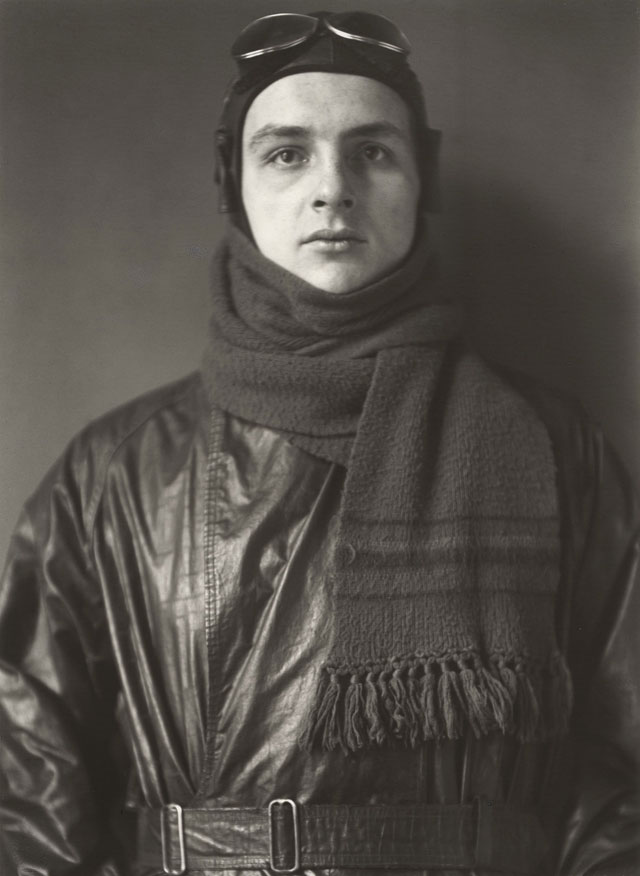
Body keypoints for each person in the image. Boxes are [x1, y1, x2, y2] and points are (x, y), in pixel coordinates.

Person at [0, 10, 638, 876]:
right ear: (234, 184)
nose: (332, 187)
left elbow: (622, 768)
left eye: (373, 151)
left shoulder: (555, 449)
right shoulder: (113, 471)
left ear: (423, 179)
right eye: (287, 152)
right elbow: (33, 782)